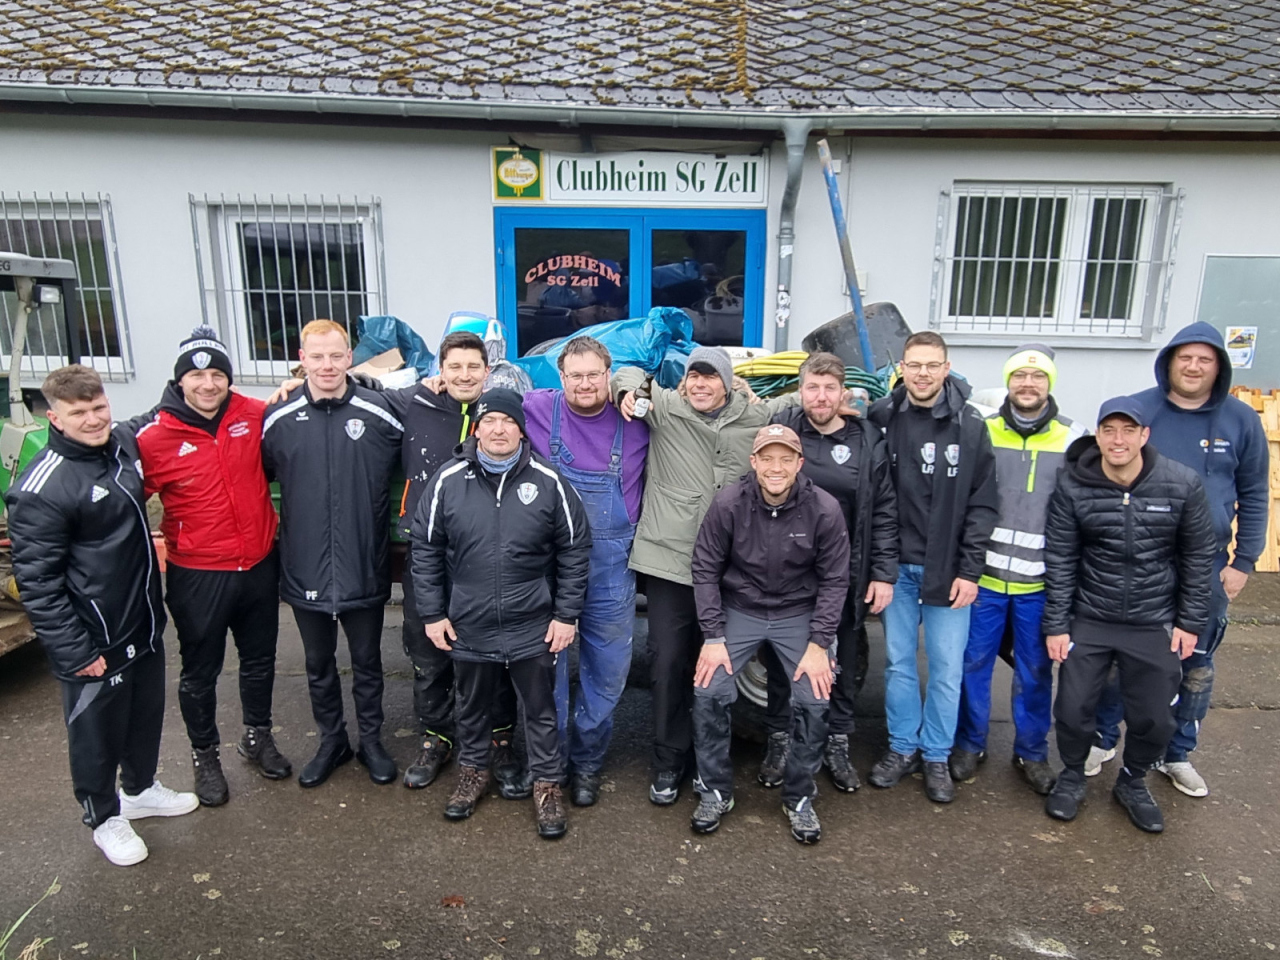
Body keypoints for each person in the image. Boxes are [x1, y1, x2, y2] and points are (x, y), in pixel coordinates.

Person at [6, 365, 198, 866]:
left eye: (98, 408)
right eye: (79, 413)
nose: (93, 420)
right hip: (94, 639)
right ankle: (104, 817)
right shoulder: (41, 487)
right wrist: (74, 651)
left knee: (144, 716)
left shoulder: (120, 446)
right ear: (54, 417)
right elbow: (38, 583)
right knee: (95, 733)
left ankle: (139, 789)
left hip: (142, 622)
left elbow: (163, 409)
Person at [611, 346, 801, 805]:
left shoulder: (754, 417)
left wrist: (854, 397)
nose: (700, 384)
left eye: (710, 377)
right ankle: (668, 760)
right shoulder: (666, 409)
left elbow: (801, 400)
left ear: (729, 383)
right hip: (670, 565)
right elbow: (628, 370)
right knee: (669, 662)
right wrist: (628, 388)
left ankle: (707, 761)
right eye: (693, 376)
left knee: (715, 668)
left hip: (729, 569)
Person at [1091, 323, 1271, 796]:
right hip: (1139, 564)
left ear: (1218, 367)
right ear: (1170, 360)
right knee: (1117, 658)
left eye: (1204, 359)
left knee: (1196, 664)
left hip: (1207, 566)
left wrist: (1243, 561)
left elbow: (1254, 493)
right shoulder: (1138, 411)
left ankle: (1177, 752)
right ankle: (1103, 737)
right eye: (1185, 358)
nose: (1193, 367)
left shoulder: (1241, 420)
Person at [412, 389, 591, 839]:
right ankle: (473, 772)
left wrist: (566, 615)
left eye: (507, 422)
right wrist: (433, 614)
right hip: (468, 623)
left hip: (533, 622)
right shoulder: (448, 479)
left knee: (541, 712)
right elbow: (426, 549)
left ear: (520, 428)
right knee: (471, 708)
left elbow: (575, 549)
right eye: (489, 421)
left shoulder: (548, 482)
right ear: (477, 427)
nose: (498, 430)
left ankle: (547, 786)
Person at [133, 326, 290, 807]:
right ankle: (205, 757)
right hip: (199, 573)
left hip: (259, 564)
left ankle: (256, 736)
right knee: (201, 670)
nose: (208, 384)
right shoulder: (152, 436)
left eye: (217, 373)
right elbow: (124, 502)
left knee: (260, 660)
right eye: (197, 375)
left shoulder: (254, 415)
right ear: (181, 381)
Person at [1042, 397, 1215, 833]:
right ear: (1097, 436)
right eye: (1108, 430)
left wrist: (1190, 621)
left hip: (1153, 618)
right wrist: (1057, 625)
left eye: (1127, 430)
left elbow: (1198, 555)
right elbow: (1061, 557)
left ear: (1144, 436)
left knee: (1155, 715)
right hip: (1091, 615)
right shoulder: (1073, 484)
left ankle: (1133, 781)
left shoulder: (1181, 483)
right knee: (1072, 706)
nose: (1117, 440)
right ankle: (1072, 774)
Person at [375, 331, 522, 796]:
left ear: (486, 370)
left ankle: (499, 741)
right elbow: (352, 384)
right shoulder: (413, 402)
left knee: (494, 655)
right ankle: (436, 738)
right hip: (428, 556)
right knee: (427, 653)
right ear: (439, 370)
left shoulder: (503, 412)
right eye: (454, 367)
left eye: (472, 367)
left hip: (485, 558)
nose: (463, 375)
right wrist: (292, 383)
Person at [689, 424, 850, 843]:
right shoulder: (728, 503)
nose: (776, 467)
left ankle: (798, 796)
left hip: (798, 612)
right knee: (708, 690)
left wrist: (820, 644)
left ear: (799, 463)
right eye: (767, 458)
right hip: (741, 609)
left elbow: (835, 581)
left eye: (785, 459)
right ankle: (715, 791)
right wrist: (712, 636)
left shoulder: (824, 509)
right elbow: (705, 568)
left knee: (816, 697)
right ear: (754, 462)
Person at [261, 319, 404, 788]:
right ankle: (331, 741)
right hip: (304, 565)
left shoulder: (381, 412)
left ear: (349, 358)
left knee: (367, 662)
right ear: (302, 359)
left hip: (364, 561)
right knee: (318, 665)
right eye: (316, 356)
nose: (326, 365)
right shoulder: (277, 419)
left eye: (335, 355)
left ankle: (372, 742)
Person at [865, 331, 998, 803]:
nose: (922, 374)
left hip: (950, 573)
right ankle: (902, 747)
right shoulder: (883, 418)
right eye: (914, 365)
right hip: (897, 570)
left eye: (931, 365)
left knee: (946, 668)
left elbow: (984, 506)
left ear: (946, 368)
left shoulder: (971, 427)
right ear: (901, 367)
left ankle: (936, 755)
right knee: (899, 663)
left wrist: (970, 569)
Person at [757, 351, 898, 794]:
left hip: (846, 573)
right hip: (788, 573)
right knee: (782, 661)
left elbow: (885, 511)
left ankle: (837, 741)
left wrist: (882, 573)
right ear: (800, 390)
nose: (820, 396)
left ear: (844, 393)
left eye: (829, 388)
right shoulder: (785, 429)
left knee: (842, 658)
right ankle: (780, 739)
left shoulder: (866, 439)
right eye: (812, 387)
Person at [950, 345, 1087, 795]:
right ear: (1007, 382)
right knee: (973, 665)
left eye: (1038, 377)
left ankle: (1030, 752)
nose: (1028, 384)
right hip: (984, 579)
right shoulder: (982, 430)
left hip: (1038, 584)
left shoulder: (1074, 440)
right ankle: (970, 744)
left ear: (1050, 384)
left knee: (1034, 671)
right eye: (1020, 376)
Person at [523, 336, 649, 807]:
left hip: (609, 569)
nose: (584, 384)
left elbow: (694, 403)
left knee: (608, 672)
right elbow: (482, 396)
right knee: (544, 669)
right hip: (548, 568)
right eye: (574, 375)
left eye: (594, 374)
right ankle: (549, 767)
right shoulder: (537, 408)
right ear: (560, 378)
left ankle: (589, 761)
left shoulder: (636, 418)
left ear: (609, 374)